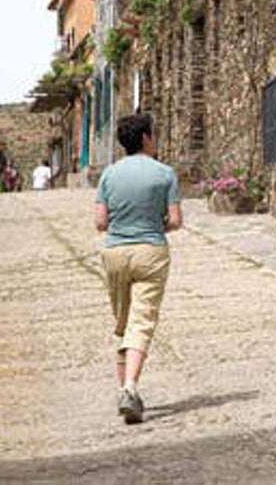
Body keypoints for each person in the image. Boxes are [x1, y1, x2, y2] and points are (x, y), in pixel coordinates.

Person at [94, 113, 182, 425]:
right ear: (145, 137)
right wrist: (154, 226)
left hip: (115, 252)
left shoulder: (108, 175)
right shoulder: (165, 173)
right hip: (151, 252)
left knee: (123, 324)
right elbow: (175, 220)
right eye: (153, 134)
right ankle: (130, 388)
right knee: (141, 322)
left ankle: (124, 391)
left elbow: (100, 223)